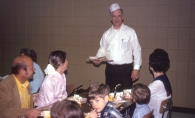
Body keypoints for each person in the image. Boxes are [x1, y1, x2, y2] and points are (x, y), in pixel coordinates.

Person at [93, 3, 142, 91]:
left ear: (122, 17)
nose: (116, 19)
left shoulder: (130, 32)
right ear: (111, 18)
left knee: (126, 97)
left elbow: (137, 50)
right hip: (110, 70)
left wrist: (136, 68)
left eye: (119, 16)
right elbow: (102, 49)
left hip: (126, 70)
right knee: (110, 95)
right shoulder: (106, 34)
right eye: (114, 16)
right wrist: (98, 58)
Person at [148, 48, 172, 118]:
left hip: (154, 115)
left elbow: (141, 95)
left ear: (151, 67)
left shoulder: (158, 83)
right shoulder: (164, 78)